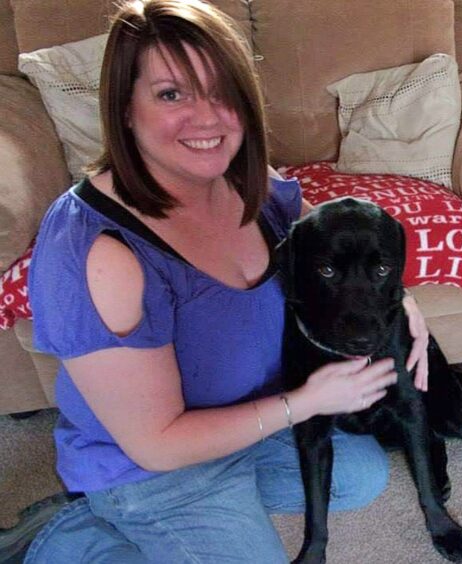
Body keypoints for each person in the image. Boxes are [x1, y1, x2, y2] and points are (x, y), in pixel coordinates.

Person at [1, 0, 429, 562]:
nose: (207, 118)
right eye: (171, 93)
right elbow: (156, 443)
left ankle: (182, 518)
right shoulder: (102, 254)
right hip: (152, 465)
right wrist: (305, 403)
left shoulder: (243, 179)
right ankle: (67, 538)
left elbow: (331, 244)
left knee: (359, 477)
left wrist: (399, 298)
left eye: (223, 90)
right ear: (125, 109)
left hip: (254, 415)